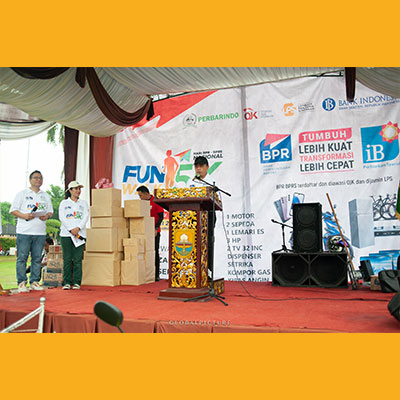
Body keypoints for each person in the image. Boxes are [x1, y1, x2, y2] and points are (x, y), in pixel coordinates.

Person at [10, 170, 53, 293]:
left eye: (40, 178)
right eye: (35, 178)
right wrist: (24, 216)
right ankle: (22, 282)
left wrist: (47, 216)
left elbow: (50, 211)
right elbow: (13, 210)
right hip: (24, 231)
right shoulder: (22, 194)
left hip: (40, 232)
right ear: (30, 180)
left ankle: (34, 281)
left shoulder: (45, 196)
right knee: (22, 258)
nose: (38, 180)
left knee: (37, 258)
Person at [59, 181, 89, 290]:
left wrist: (78, 228)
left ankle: (77, 282)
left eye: (79, 189)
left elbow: (85, 216)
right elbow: (62, 217)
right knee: (67, 259)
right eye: (76, 189)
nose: (78, 191)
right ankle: (67, 282)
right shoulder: (64, 203)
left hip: (80, 235)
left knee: (77, 259)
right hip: (66, 234)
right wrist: (71, 229)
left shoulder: (83, 203)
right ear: (70, 191)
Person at [192, 156, 216, 277]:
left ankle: (208, 272)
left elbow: (215, 199)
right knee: (195, 243)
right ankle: (194, 271)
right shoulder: (191, 181)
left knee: (207, 243)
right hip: (194, 215)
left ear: (207, 167)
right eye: (196, 166)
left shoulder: (211, 182)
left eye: (201, 166)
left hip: (208, 214)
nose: (198, 169)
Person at [136, 185, 164, 281]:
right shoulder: (142, 203)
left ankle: (156, 275)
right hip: (144, 231)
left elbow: (161, 216)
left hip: (154, 231)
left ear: (145, 194)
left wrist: (156, 228)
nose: (140, 198)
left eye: (140, 195)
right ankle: (147, 274)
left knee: (155, 252)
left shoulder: (156, 201)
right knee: (145, 252)